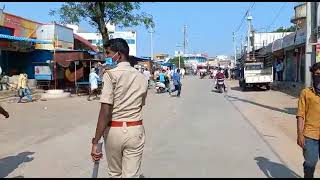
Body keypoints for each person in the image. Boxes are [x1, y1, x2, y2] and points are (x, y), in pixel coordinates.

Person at [90, 38, 148, 178]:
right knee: (131, 175)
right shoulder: (142, 77)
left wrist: (96, 140)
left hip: (114, 132)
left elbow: (105, 110)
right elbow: (140, 104)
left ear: (119, 54)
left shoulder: (110, 75)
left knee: (115, 173)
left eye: (109, 53)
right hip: (135, 129)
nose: (107, 57)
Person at [296, 62, 320, 178]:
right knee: (310, 163)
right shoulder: (306, 93)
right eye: (317, 74)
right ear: (312, 75)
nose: (319, 77)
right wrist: (300, 134)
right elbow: (300, 115)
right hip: (310, 135)